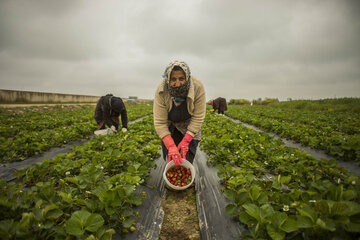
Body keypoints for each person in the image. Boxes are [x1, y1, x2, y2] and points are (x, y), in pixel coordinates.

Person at [153, 61, 206, 165]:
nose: (177, 83)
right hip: (170, 124)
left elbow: (198, 117)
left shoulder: (197, 86)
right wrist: (171, 146)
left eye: (181, 78)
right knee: (171, 156)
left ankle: (187, 175)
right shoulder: (161, 90)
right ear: (168, 79)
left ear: (187, 77)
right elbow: (160, 123)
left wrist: (186, 140)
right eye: (173, 79)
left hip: (189, 124)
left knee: (187, 157)